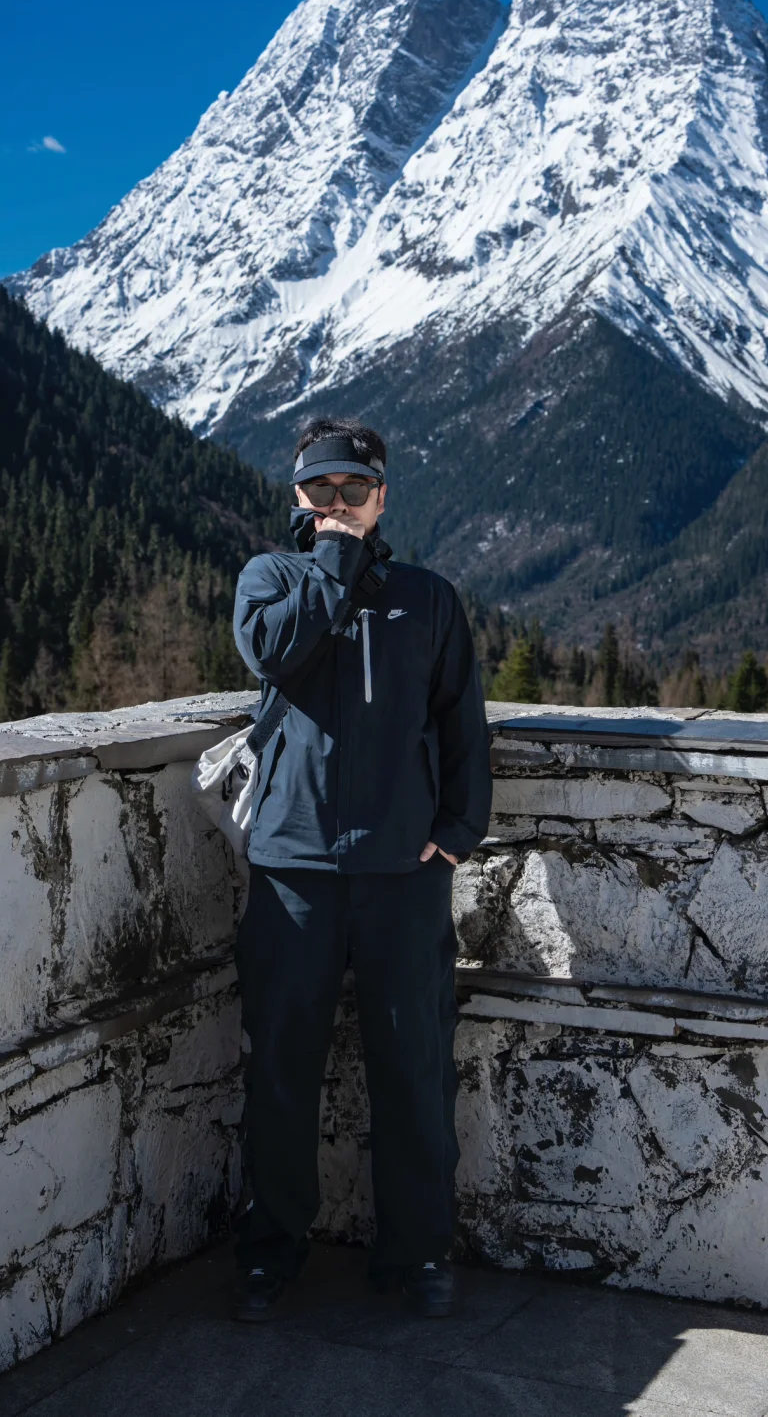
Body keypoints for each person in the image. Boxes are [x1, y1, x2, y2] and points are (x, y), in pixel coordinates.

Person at [230, 416, 492, 1323]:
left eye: (354, 491)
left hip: (401, 875)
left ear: (383, 497)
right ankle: (272, 1252)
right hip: (292, 870)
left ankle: (417, 1257)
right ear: (298, 498)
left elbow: (464, 728)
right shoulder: (270, 581)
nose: (337, 506)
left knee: (414, 1069)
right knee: (281, 1070)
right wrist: (333, 569)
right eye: (320, 492)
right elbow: (272, 653)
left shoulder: (429, 598)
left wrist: (456, 832)